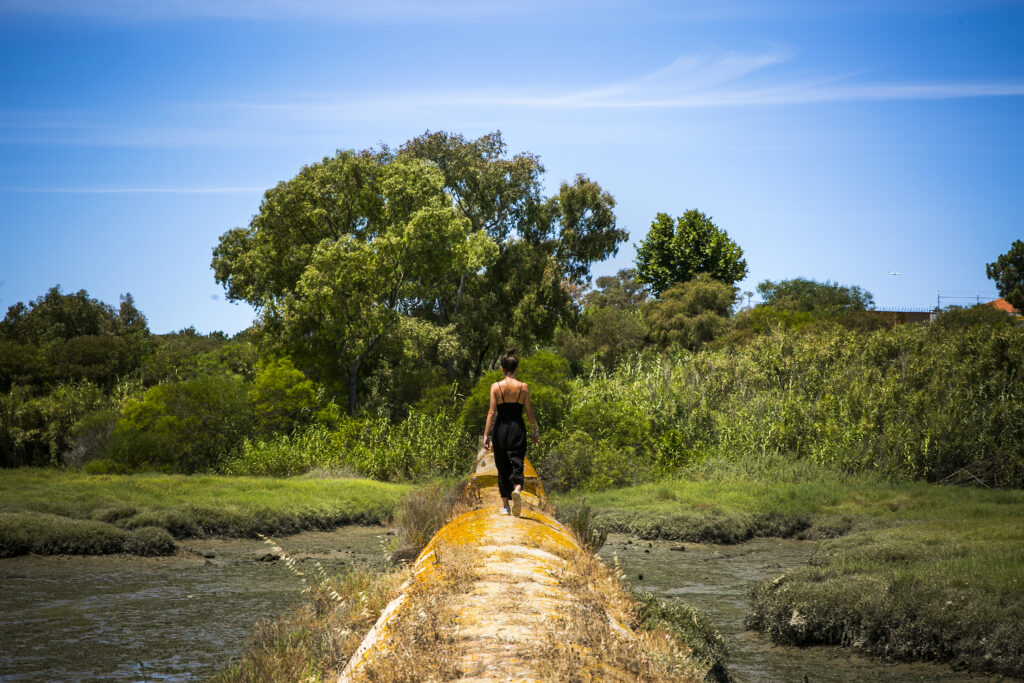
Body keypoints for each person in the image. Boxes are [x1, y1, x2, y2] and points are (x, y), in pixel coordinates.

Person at [483, 348, 539, 517]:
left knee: (502, 465)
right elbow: (529, 412)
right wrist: (534, 430)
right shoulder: (523, 387)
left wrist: (486, 434)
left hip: (500, 429)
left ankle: (506, 506)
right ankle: (517, 489)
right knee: (517, 460)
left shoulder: (496, 387)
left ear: (501, 368)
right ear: (516, 369)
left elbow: (492, 413)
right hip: (517, 427)